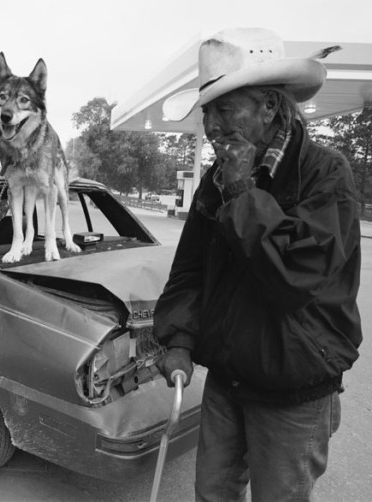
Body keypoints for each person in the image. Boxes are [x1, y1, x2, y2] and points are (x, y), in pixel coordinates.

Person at [154, 27, 362, 502]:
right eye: (208, 111)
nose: (211, 126)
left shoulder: (326, 173)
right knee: (212, 493)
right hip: (229, 379)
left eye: (225, 109)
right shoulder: (217, 178)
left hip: (295, 388)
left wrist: (243, 194)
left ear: (269, 106)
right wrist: (180, 338)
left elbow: (298, 274)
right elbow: (190, 269)